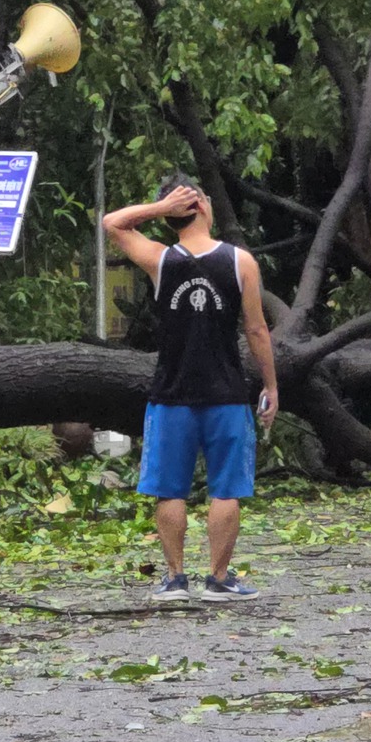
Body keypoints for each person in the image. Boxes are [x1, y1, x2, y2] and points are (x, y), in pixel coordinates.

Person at [101, 175, 280, 602]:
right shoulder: (241, 262)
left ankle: (176, 579)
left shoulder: (161, 260)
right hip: (227, 394)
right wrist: (271, 384)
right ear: (202, 205)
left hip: (172, 396)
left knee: (171, 488)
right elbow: (256, 330)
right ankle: (218, 579)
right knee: (226, 488)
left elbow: (113, 223)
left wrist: (159, 210)